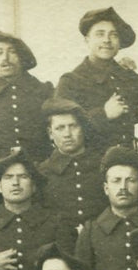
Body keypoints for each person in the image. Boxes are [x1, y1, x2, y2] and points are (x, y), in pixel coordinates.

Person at [56, 7, 138, 148]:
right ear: (87, 40)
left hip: (127, 160)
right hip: (90, 164)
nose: (107, 40)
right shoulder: (71, 81)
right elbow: (60, 128)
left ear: (119, 43)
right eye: (100, 34)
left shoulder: (126, 76)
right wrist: (103, 114)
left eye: (113, 35)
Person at [0, 28, 55, 161]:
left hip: (40, 168)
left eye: (12, 52)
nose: (5, 58)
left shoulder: (44, 91)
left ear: (22, 57)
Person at [36, 98, 106, 229]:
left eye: (73, 126)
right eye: (60, 128)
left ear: (83, 129)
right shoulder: (42, 171)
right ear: (50, 134)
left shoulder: (103, 165)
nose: (67, 134)